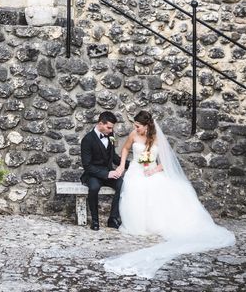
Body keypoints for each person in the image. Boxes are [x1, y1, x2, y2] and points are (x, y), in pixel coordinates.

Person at [103, 110, 235, 278]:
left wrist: (154, 169)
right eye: (134, 126)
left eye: (138, 126)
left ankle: (162, 222)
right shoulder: (133, 134)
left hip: (152, 170)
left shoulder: (157, 138)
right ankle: (140, 224)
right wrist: (122, 166)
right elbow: (125, 150)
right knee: (135, 187)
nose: (135, 129)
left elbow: (166, 162)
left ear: (146, 126)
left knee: (164, 187)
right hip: (136, 170)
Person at [80, 111, 124, 231]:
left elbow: (113, 156)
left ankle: (113, 218)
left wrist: (128, 164)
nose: (110, 130)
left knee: (122, 184)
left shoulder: (110, 135)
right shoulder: (87, 140)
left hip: (108, 173)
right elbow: (87, 165)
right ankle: (95, 220)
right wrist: (106, 174)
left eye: (111, 128)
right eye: (108, 127)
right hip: (93, 174)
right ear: (100, 123)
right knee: (94, 188)